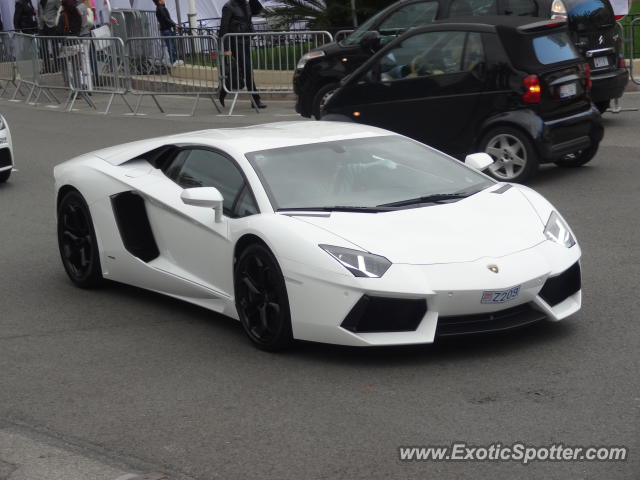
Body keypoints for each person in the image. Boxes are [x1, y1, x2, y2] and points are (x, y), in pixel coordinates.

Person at [218, 0, 265, 108]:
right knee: (247, 70)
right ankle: (255, 100)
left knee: (243, 70)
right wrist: (226, 48)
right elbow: (223, 28)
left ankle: (223, 89)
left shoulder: (247, 4)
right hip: (235, 42)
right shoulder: (228, 6)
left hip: (246, 41)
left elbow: (259, 11)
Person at [153, 0, 182, 67]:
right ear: (159, 1)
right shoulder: (160, 8)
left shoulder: (161, 8)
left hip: (167, 29)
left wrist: (174, 25)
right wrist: (174, 25)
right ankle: (173, 62)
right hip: (166, 30)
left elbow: (167, 19)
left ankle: (174, 61)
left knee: (172, 46)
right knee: (171, 46)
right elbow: (166, 19)